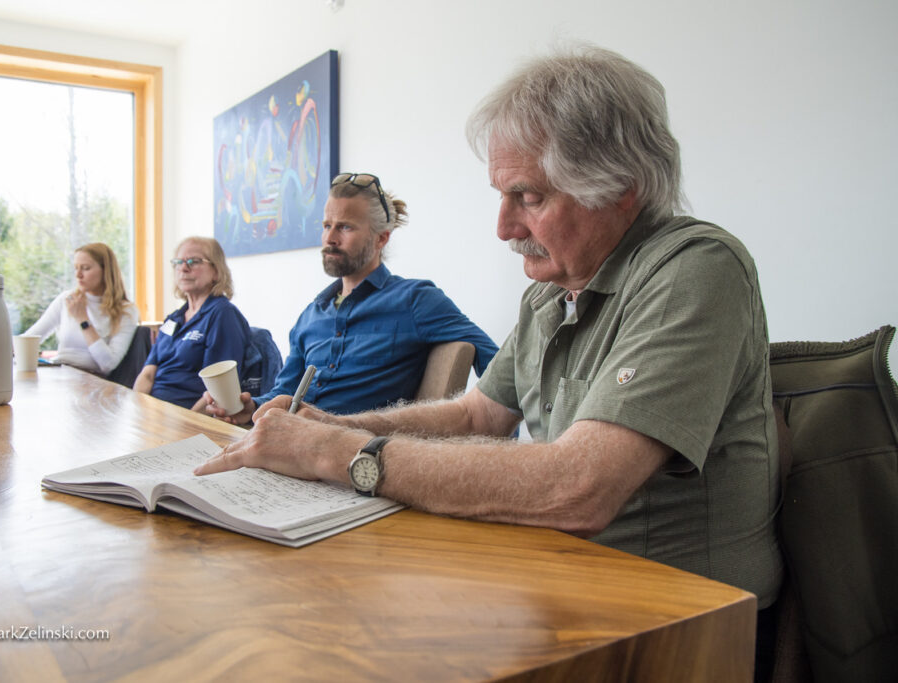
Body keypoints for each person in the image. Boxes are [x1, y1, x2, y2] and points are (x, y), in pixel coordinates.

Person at [195, 46, 783, 675]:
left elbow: (578, 487)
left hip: (683, 624)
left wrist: (333, 453)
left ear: (620, 188)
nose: (503, 227)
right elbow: (477, 415)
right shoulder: (549, 294)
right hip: (562, 584)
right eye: (503, 195)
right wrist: (333, 426)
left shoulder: (695, 269)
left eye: (527, 196)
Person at [201, 172, 498, 423]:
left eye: (344, 227)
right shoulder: (311, 314)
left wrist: (496, 436)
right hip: (290, 444)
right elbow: (285, 390)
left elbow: (497, 364)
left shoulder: (414, 300)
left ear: (381, 238)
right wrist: (250, 407)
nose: (330, 238)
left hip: (355, 452)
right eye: (326, 226)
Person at [134, 236, 251, 410]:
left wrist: (188, 420)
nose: (183, 268)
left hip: (189, 413)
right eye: (178, 262)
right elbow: (147, 374)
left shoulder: (222, 314)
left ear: (216, 271)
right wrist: (136, 408)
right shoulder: (173, 318)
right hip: (153, 411)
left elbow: (218, 390)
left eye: (194, 261)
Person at [23, 242, 139, 376]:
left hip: (92, 380)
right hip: (61, 372)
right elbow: (29, 339)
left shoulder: (126, 311)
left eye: (85, 268)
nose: (78, 275)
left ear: (105, 271)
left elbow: (108, 364)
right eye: (76, 268)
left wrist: (83, 320)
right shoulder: (67, 299)